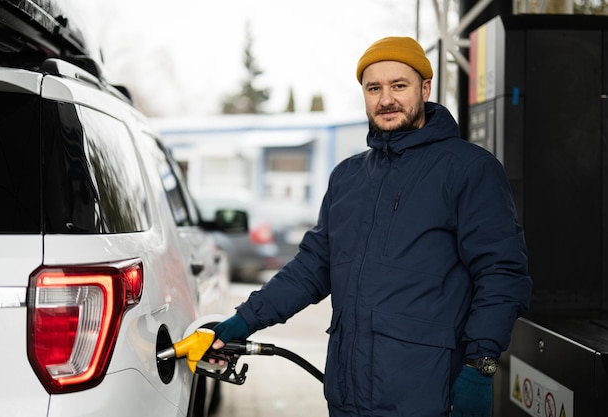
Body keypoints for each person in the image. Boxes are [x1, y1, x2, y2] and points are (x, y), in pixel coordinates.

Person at [211, 36, 532, 417]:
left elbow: (501, 272)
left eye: (399, 85)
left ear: (425, 88)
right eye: (373, 88)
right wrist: (245, 319)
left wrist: (481, 365)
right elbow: (313, 267)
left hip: (426, 393)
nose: (386, 99)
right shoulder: (348, 177)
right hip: (348, 394)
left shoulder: (469, 170)